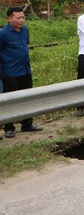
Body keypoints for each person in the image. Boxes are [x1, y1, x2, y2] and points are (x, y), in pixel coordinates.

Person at [0, 7, 43, 139]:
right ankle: (8, 127)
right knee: (10, 100)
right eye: (18, 18)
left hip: (25, 70)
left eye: (23, 17)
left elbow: (25, 46)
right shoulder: (3, 33)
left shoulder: (25, 30)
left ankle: (27, 124)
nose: (21, 20)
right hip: (10, 72)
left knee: (27, 97)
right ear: (9, 18)